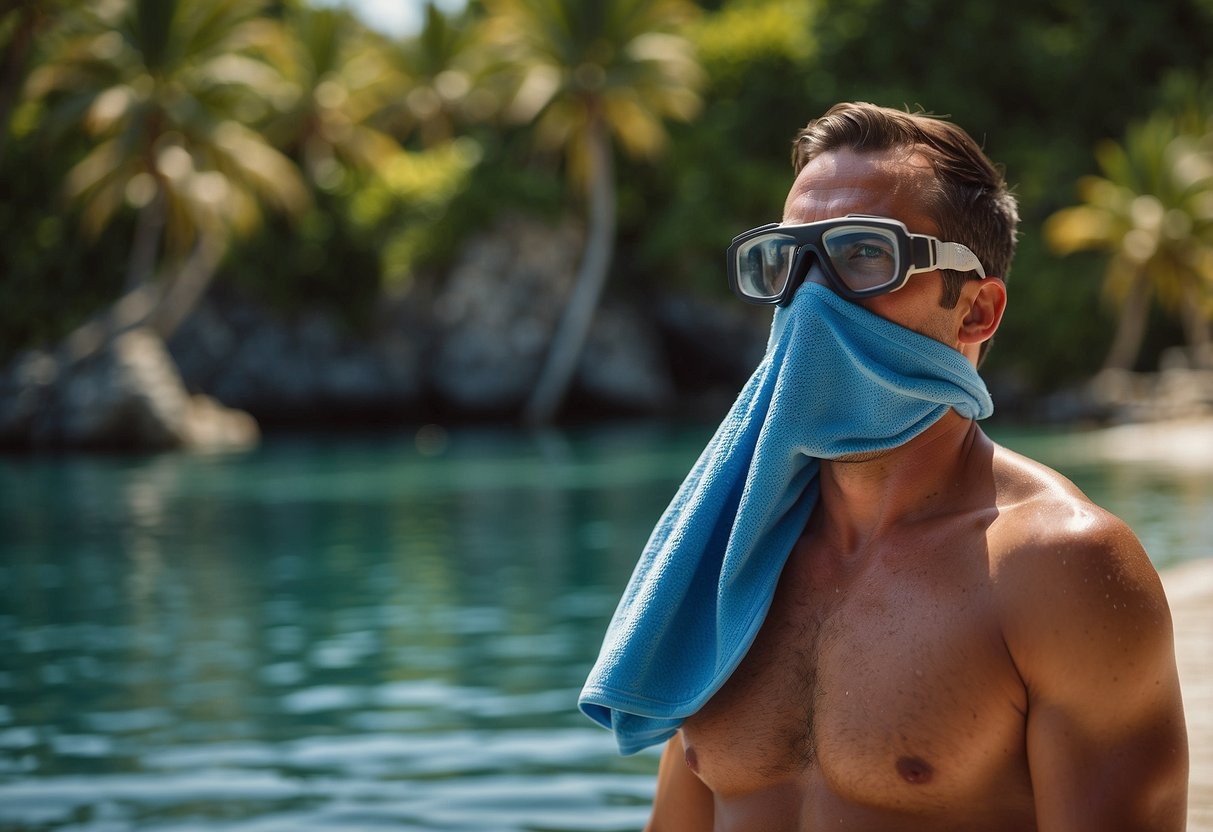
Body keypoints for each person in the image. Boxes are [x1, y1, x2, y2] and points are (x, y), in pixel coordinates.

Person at [580, 102, 1189, 831]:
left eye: (864, 254)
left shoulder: (1056, 567)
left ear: (975, 312)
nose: (810, 300)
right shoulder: (732, 551)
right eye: (786, 260)